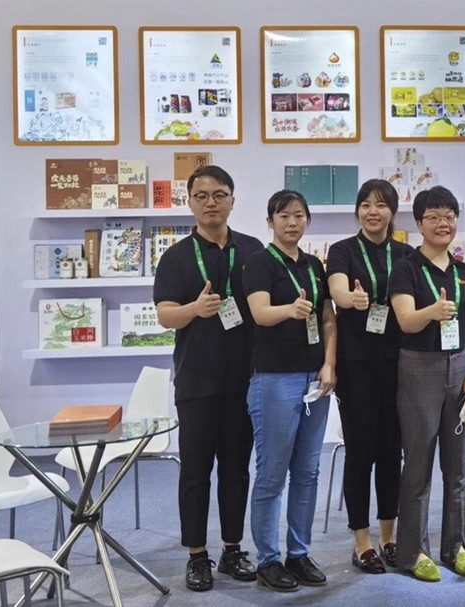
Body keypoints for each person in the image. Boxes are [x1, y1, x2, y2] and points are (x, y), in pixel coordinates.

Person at [154, 165, 263, 592]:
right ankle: (197, 555)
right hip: (197, 381)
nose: (211, 202)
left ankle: (233, 549)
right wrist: (194, 310)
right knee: (196, 472)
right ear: (190, 203)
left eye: (219, 194)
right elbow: (165, 315)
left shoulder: (253, 250)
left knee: (237, 470)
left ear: (232, 200)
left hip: (245, 381)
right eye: (201, 196)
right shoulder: (176, 257)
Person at [389, 186, 465, 582]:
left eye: (449, 216)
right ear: (419, 223)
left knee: (458, 466)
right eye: (433, 217)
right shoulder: (406, 268)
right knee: (418, 466)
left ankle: (456, 546)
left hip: (461, 369)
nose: (442, 223)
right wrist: (431, 311)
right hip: (420, 370)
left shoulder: (462, 272)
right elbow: (405, 321)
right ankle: (414, 552)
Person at [244, 190, 337, 592]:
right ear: (270, 221)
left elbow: (328, 319)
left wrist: (329, 364)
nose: (292, 222)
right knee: (272, 474)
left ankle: (299, 553)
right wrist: (289, 310)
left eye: (299, 215)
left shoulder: (314, 265)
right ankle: (268, 560)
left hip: (315, 379)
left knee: (308, 472)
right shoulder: (259, 263)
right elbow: (260, 313)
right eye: (284, 216)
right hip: (274, 379)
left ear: (307, 220)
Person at [325, 180, 415, 574]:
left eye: (380, 205)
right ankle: (361, 541)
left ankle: (388, 536)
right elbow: (337, 291)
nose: (372, 212)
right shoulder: (343, 250)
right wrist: (352, 299)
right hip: (357, 365)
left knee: (392, 452)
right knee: (360, 452)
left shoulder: (406, 254)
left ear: (392, 211)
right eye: (365, 204)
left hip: (400, 364)